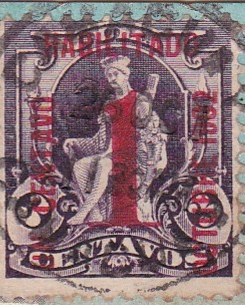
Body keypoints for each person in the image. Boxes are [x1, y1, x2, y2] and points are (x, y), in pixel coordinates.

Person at [63, 54, 168, 228]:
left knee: (104, 164)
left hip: (136, 157)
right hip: (113, 153)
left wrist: (157, 159)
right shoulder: (110, 106)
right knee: (80, 166)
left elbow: (154, 134)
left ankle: (83, 212)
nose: (111, 78)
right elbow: (100, 141)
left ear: (126, 75)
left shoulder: (141, 102)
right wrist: (75, 142)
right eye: (109, 75)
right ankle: (95, 213)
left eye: (115, 74)